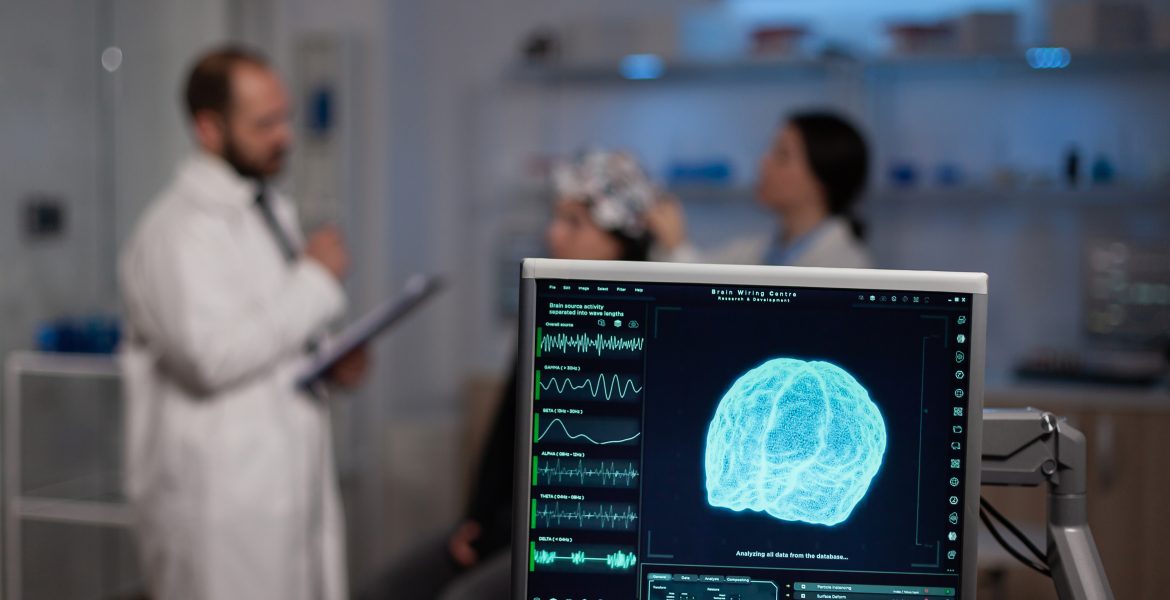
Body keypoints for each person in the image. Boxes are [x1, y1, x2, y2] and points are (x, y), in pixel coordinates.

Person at [119, 46, 367, 600]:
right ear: (208, 128)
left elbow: (270, 329)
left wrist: (328, 359)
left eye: (286, 118)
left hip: (285, 487)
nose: (286, 136)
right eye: (264, 123)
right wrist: (316, 281)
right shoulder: (177, 232)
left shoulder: (265, 209)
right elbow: (211, 358)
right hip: (219, 506)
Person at [360, 150, 658, 600]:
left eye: (574, 222)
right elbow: (506, 432)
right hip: (504, 526)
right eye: (556, 218)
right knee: (385, 588)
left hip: (572, 541)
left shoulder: (640, 328)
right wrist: (474, 521)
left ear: (620, 240)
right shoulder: (552, 307)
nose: (552, 233)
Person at [650, 111, 873, 269]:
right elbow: (703, 272)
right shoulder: (761, 251)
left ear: (821, 179)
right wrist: (671, 244)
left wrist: (677, 246)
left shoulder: (844, 267)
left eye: (782, 155)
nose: (763, 162)